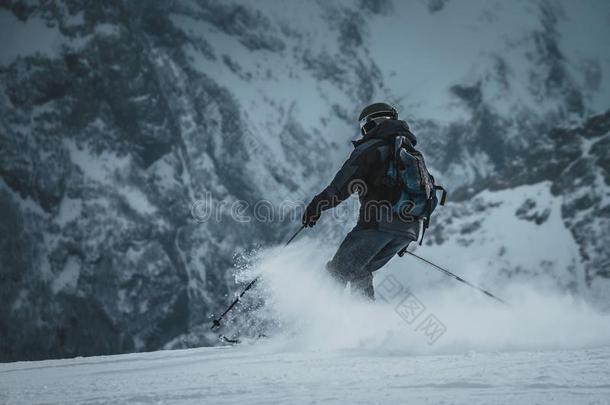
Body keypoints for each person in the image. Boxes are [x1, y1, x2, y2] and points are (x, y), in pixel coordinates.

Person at [302, 102, 444, 300]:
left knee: (337, 270)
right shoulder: (410, 153)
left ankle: (314, 323)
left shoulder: (370, 149)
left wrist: (316, 206)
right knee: (360, 270)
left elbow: (342, 186)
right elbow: (429, 197)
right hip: (409, 231)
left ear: (369, 124)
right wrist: (402, 231)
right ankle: (364, 322)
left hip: (377, 225)